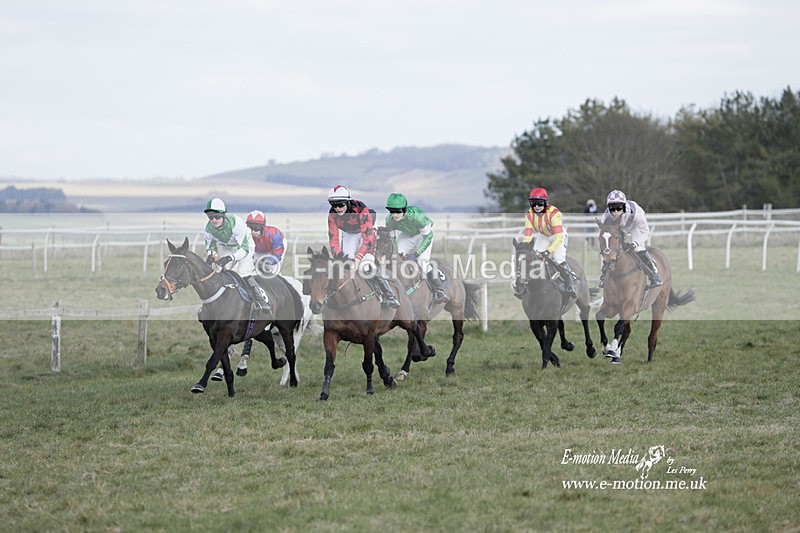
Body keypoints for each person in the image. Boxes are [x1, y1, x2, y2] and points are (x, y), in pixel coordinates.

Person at [327, 184, 400, 308]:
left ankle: (389, 295)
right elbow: (334, 241)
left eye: (341, 204)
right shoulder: (332, 215)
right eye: (334, 205)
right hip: (349, 233)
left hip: (366, 232)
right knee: (344, 264)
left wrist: (358, 258)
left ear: (348, 202)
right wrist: (340, 258)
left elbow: (368, 239)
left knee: (366, 265)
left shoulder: (361, 209)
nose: (337, 208)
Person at [203, 197, 271, 314]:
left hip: (245, 247)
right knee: (221, 272)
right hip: (226, 247)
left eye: (217, 216)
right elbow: (210, 247)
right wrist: (211, 256)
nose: (214, 220)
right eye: (210, 217)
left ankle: (260, 300)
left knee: (242, 272)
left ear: (224, 214)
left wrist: (229, 258)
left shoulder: (236, 223)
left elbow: (244, 249)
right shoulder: (208, 229)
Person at [383, 192, 449, 304]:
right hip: (406, 235)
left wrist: (417, 253)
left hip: (422, 236)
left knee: (422, 263)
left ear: (404, 209)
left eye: (398, 211)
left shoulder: (417, 217)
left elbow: (428, 236)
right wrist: (398, 253)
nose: (395, 215)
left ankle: (439, 291)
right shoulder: (389, 220)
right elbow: (393, 239)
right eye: (392, 211)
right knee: (395, 258)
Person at [514, 187, 577, 298]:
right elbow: (528, 236)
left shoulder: (554, 213)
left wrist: (548, 252)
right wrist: (524, 248)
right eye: (534, 204)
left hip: (558, 236)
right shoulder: (529, 215)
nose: (537, 207)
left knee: (559, 259)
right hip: (543, 235)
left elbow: (558, 238)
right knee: (531, 257)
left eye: (539, 203)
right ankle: (525, 286)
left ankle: (570, 284)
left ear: (545, 202)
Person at [599, 189, 662, 288]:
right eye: (612, 208)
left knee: (638, 249)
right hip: (617, 229)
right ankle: (603, 276)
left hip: (633, 226)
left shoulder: (636, 213)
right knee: (610, 251)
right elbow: (602, 234)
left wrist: (635, 243)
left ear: (624, 206)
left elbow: (646, 232)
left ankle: (653, 274)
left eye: (619, 208)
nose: (615, 212)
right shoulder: (606, 216)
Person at [246, 210, 285, 276]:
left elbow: (277, 255)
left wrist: (268, 261)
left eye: (256, 228)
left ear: (263, 227)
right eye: (250, 228)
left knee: (272, 271)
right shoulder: (246, 235)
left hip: (275, 248)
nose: (252, 231)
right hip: (258, 250)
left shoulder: (274, 235)